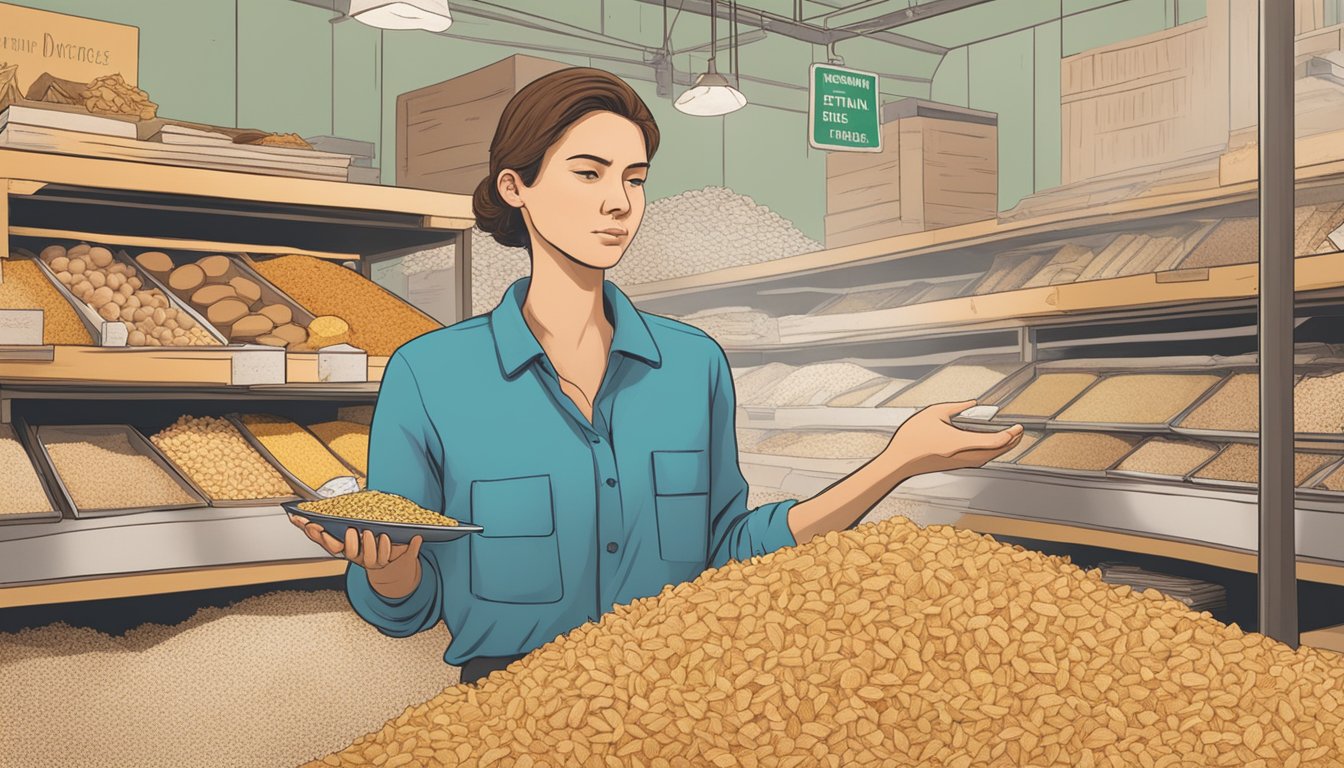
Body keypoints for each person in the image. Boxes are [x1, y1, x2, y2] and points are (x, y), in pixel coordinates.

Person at [288, 67, 1023, 686]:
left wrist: (898, 462)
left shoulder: (693, 364)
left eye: (635, 179)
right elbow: (407, 606)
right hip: (511, 712)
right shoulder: (432, 374)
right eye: (589, 173)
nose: (620, 202)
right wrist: (386, 571)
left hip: (678, 701)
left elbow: (732, 549)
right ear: (516, 187)